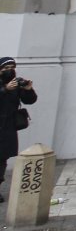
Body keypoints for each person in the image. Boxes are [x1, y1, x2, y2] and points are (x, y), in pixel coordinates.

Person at [0, 57, 37, 202]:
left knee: (2, 158)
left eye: (12, 67)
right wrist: (4, 90)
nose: (9, 70)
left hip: (7, 126)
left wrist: (28, 90)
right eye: (6, 68)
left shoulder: (16, 84)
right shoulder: (7, 86)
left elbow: (30, 100)